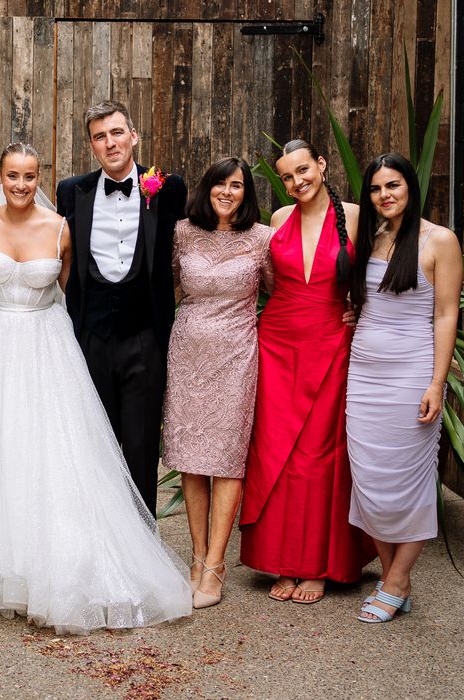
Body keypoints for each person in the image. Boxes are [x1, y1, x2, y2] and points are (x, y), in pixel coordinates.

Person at [0, 143, 192, 632]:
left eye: (29, 176)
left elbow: (73, 290)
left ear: (39, 177)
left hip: (46, 345)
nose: (21, 185)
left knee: (50, 451)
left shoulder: (61, 228)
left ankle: (49, 558)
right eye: (12, 176)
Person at [239, 139, 375, 605]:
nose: (298, 182)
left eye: (304, 170)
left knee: (319, 454)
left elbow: (380, 268)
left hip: (331, 342)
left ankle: (316, 564)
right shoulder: (278, 220)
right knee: (276, 450)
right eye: (288, 177)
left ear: (321, 164)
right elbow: (271, 283)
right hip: (276, 343)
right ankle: (282, 561)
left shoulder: (357, 216)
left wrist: (361, 310)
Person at [56, 101, 187, 516]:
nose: (110, 142)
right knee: (95, 443)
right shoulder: (70, 191)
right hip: (90, 335)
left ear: (134, 136)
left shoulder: (168, 187)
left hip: (145, 335)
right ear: (91, 145)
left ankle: (143, 543)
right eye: (100, 136)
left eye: (116, 132)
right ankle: (102, 543)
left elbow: (198, 238)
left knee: (141, 444)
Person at [347, 153, 462, 623]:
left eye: (392, 185)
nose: (384, 195)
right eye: (375, 189)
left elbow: (446, 314)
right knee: (368, 479)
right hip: (362, 375)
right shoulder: (370, 238)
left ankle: (394, 581)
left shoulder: (440, 241)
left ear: (410, 186)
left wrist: (437, 381)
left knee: (408, 482)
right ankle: (397, 578)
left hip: (411, 375)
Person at [162, 157, 273, 609]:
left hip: (235, 359)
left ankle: (215, 566)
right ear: (206, 188)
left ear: (247, 193)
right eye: (220, 184)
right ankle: (195, 556)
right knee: (191, 457)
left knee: (226, 460)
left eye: (237, 186)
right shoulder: (182, 232)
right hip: (187, 354)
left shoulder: (263, 239)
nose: (228, 192)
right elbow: (162, 287)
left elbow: (285, 292)